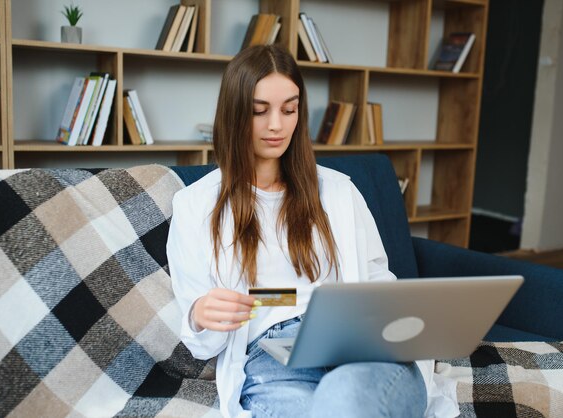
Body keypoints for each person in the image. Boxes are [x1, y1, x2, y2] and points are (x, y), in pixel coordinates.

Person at [167, 44, 458, 418]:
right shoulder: (195, 205)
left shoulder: (339, 191)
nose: (277, 125)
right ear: (235, 114)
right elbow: (201, 343)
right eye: (260, 111)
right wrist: (200, 315)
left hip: (357, 350)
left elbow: (376, 285)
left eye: (289, 109)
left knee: (347, 394)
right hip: (272, 359)